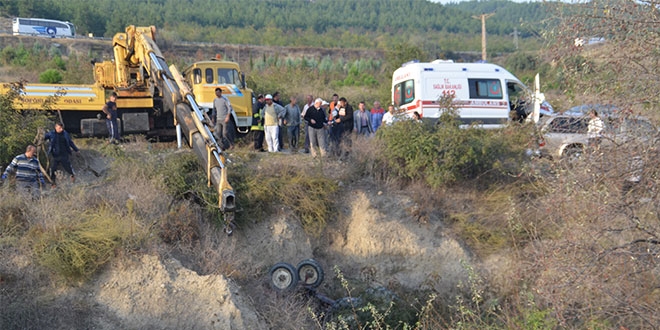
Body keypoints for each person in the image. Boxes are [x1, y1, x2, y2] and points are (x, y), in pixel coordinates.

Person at [44, 122, 79, 187]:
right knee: (53, 169)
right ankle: (53, 184)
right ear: (56, 127)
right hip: (54, 155)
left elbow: (70, 142)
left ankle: (73, 177)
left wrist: (76, 150)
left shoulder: (65, 134)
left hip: (64, 154)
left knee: (68, 167)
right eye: (60, 128)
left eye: (62, 128)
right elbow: (43, 137)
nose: (61, 129)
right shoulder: (51, 134)